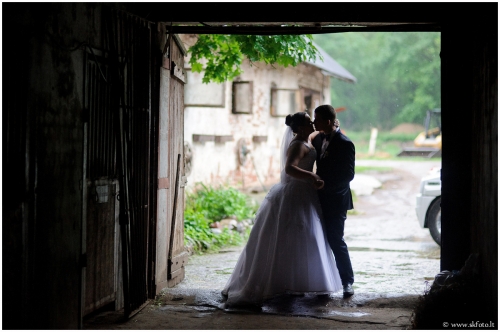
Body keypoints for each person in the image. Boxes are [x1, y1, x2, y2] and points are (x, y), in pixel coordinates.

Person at [221, 112, 342, 307]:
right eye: (308, 121)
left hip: (304, 194)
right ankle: (273, 283)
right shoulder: (297, 145)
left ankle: (297, 281)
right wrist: (311, 177)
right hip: (295, 193)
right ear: (301, 128)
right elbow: (289, 168)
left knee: (303, 238)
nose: (312, 123)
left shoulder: (307, 141)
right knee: (286, 237)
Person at [312, 104, 355, 297]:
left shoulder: (345, 143)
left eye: (317, 119)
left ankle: (347, 281)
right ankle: (322, 280)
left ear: (328, 122)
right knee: (317, 239)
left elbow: (348, 175)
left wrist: (325, 186)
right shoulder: (319, 138)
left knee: (336, 240)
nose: (314, 122)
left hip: (336, 199)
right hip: (317, 199)